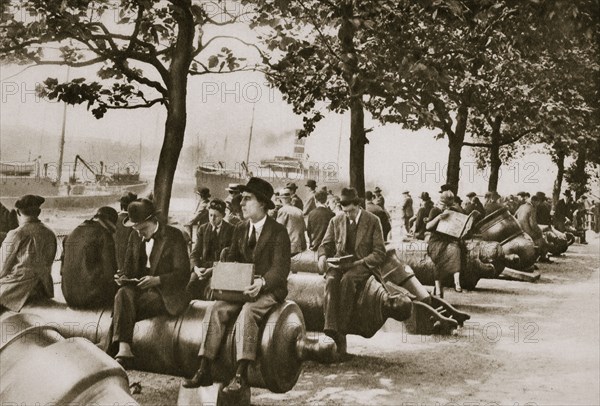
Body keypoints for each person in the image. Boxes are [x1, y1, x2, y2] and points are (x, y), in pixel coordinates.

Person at [183, 177, 291, 394]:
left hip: (268, 290)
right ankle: (204, 367)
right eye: (241, 199)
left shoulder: (278, 231)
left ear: (262, 203)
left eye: (247, 199)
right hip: (241, 289)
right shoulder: (240, 229)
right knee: (215, 309)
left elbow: (280, 270)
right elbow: (232, 259)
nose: (241, 203)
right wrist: (224, 278)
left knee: (248, 313)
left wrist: (261, 282)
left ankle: (241, 374)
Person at [110, 198, 190, 367]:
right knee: (122, 293)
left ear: (152, 221)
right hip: (141, 288)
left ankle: (111, 347)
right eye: (136, 229)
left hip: (166, 292)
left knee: (125, 304)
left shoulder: (174, 236)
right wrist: (123, 277)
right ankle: (124, 349)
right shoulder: (135, 236)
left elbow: (183, 274)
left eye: (142, 229)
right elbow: (128, 268)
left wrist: (157, 280)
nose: (139, 234)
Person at [318, 187, 386, 357]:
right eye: (345, 211)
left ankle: (341, 329)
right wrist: (322, 257)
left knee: (348, 281)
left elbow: (379, 253)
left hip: (363, 265)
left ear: (358, 205)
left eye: (351, 211)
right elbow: (325, 244)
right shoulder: (336, 220)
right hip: (341, 264)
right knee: (331, 280)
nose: (348, 215)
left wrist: (360, 262)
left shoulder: (373, 220)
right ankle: (331, 328)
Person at [0, 195, 57, 312]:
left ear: (18, 212)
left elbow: (2, 268)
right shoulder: (50, 233)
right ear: (39, 212)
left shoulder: (17, 234)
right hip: (43, 288)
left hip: (18, 289)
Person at [61, 207, 118, 308]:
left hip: (68, 296)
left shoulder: (71, 233)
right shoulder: (104, 235)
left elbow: (62, 270)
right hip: (91, 298)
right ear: (109, 222)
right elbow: (109, 271)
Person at [187, 199, 234, 300]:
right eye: (210, 215)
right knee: (190, 284)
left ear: (223, 215)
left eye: (216, 216)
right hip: (202, 269)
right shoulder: (203, 229)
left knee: (212, 289)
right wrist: (196, 269)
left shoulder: (231, 230)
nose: (212, 219)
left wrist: (213, 270)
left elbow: (230, 259)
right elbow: (194, 254)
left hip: (221, 269)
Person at [426, 191, 464, 297]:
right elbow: (428, 227)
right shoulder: (435, 210)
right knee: (439, 255)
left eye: (450, 204)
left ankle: (457, 281)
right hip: (436, 241)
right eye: (445, 204)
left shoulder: (453, 211)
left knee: (455, 249)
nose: (446, 207)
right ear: (441, 202)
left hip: (448, 240)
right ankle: (438, 287)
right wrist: (439, 217)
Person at [515, 195, 551, 262]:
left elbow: (515, 216)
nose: (538, 204)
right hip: (528, 232)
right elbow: (533, 224)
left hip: (520, 231)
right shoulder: (532, 208)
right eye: (538, 202)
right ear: (534, 201)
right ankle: (542, 258)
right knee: (543, 240)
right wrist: (540, 231)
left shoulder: (521, 207)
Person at [276, 188, 307, 256]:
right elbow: (303, 229)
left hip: (288, 247)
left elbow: (278, 229)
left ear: (281, 199)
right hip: (300, 246)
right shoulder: (299, 211)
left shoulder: (282, 211)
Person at [115, 192, 138, 270]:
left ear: (121, 206)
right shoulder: (135, 221)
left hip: (114, 257)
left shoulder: (114, 218)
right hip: (128, 259)